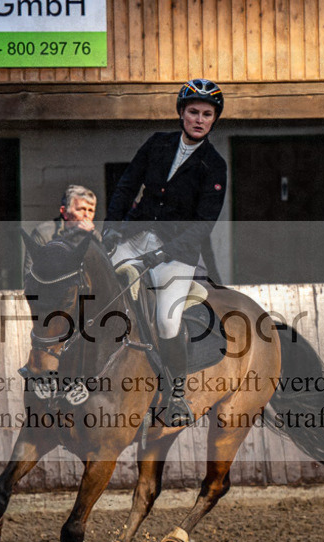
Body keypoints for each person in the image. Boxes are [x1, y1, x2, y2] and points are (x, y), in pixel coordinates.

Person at [103, 78, 228, 426]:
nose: (199, 119)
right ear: (181, 113)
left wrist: (165, 252)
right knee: (95, 287)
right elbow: (127, 184)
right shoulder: (157, 144)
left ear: (214, 119)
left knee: (167, 321)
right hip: (135, 235)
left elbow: (204, 224)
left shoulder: (214, 166)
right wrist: (111, 227)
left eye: (207, 114)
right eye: (193, 112)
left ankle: (175, 394)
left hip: (177, 253)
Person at [23, 184, 99, 276]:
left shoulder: (95, 236)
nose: (87, 215)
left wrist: (90, 238)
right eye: (81, 209)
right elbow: (30, 273)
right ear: (65, 212)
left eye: (91, 210)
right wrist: (74, 235)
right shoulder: (44, 233)